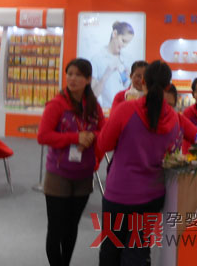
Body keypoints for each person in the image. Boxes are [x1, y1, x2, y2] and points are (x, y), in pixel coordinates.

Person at [96, 60, 183, 266]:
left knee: (111, 249)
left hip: (119, 192)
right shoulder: (174, 118)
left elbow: (104, 144)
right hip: (151, 195)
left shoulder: (126, 109)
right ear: (168, 87)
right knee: (138, 251)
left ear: (143, 82)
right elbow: (172, 152)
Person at [37, 58, 105, 266]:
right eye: (70, 74)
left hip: (83, 175)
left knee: (71, 226)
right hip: (58, 175)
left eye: (78, 75)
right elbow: (43, 136)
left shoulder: (94, 106)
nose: (72, 78)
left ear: (88, 79)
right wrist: (75, 138)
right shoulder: (56, 104)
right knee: (56, 228)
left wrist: (91, 136)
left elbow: (104, 132)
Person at [91, 21, 135, 109]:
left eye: (127, 43)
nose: (124, 45)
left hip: (127, 108)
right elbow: (93, 95)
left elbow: (135, 91)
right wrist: (106, 74)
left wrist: (132, 78)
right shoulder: (97, 59)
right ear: (114, 34)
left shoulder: (128, 59)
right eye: (123, 41)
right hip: (107, 110)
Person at [164, 84, 197, 153]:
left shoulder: (179, 120)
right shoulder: (144, 121)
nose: (165, 109)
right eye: (162, 104)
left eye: (170, 105)